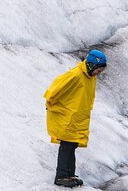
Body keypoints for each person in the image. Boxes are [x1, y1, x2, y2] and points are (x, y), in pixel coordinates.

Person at [44, 49, 107, 188]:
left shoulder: (90, 77)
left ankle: (69, 174)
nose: (99, 73)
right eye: (98, 70)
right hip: (67, 117)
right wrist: (51, 102)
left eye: (101, 71)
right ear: (91, 65)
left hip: (77, 118)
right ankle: (60, 176)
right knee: (66, 146)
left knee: (71, 145)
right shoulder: (76, 75)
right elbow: (56, 88)